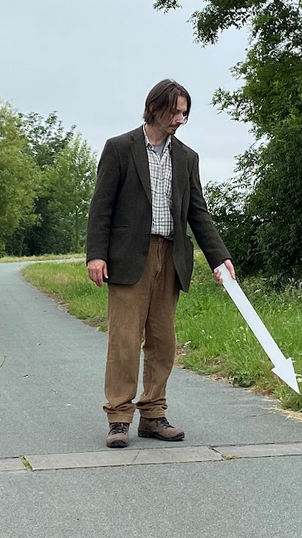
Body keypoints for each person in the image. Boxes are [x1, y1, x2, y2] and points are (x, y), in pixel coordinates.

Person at [86, 79, 235, 448]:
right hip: (128, 258)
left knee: (163, 342)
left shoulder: (187, 157)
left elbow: (198, 213)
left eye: (185, 113)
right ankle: (119, 417)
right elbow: (101, 206)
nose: (180, 119)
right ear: (153, 108)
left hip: (171, 256)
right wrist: (96, 254)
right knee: (124, 341)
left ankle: (153, 414)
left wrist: (220, 257)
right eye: (174, 112)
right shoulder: (119, 148)